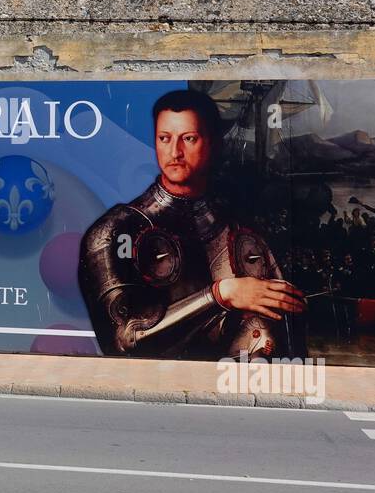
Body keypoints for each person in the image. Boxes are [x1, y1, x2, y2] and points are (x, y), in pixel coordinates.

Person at [78, 88, 305, 359]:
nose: (175, 152)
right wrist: (220, 294)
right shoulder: (115, 230)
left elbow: (288, 330)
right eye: (164, 138)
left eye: (189, 138)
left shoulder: (242, 234)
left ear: (212, 144)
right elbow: (124, 338)